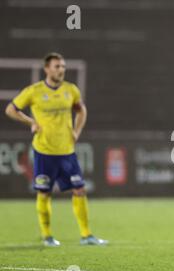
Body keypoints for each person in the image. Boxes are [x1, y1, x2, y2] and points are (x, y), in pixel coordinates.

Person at [5, 52, 108, 247]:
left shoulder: (71, 90)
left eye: (63, 66)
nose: (61, 70)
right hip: (44, 151)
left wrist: (76, 131)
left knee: (79, 189)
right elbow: (11, 109)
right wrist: (31, 122)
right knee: (44, 192)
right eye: (57, 66)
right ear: (47, 69)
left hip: (67, 151)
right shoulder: (34, 91)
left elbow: (81, 110)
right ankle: (47, 236)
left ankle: (86, 235)